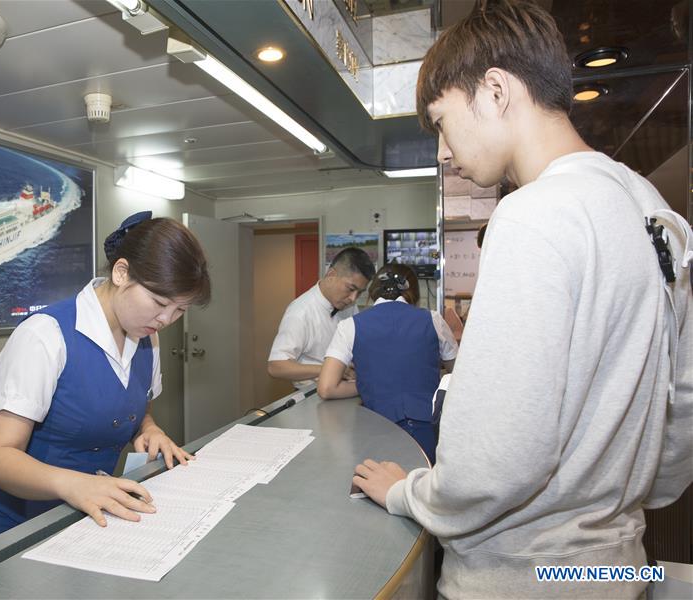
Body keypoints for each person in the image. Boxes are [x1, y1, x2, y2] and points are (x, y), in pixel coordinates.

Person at [352, 1, 692, 598]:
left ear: (495, 90)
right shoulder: (653, 211)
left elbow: (495, 461)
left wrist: (406, 492)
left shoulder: (533, 213)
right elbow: (683, 399)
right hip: (615, 568)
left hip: (524, 577)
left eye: (441, 121)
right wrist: (630, 495)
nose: (443, 151)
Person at [0, 211, 211, 548]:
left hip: (85, 527)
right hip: (14, 535)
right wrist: (73, 484)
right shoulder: (45, 336)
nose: (166, 319)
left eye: (180, 310)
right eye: (159, 302)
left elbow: (136, 410)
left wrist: (149, 430)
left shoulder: (147, 336)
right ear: (121, 273)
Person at [318, 264, 457, 463]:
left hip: (377, 429)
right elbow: (457, 376)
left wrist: (371, 382)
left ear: (373, 291)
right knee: (424, 478)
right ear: (412, 291)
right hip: (427, 430)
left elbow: (326, 388)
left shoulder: (350, 326)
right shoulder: (433, 319)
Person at [267, 248, 375, 388]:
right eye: (350, 288)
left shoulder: (349, 305)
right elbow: (276, 366)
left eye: (359, 292)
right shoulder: (300, 312)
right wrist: (330, 369)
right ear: (331, 275)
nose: (353, 298)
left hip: (345, 388)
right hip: (312, 394)